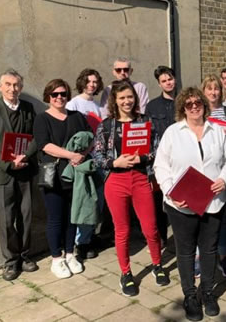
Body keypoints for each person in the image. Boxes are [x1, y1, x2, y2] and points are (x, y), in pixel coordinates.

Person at [154, 87, 226, 321]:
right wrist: (170, 191)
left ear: (205, 105)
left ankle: (207, 292)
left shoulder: (217, 131)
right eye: (189, 104)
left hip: (213, 203)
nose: (194, 106)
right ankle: (189, 295)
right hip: (181, 205)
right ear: (182, 108)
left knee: (209, 249)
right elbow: (160, 166)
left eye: (198, 102)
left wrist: (223, 179)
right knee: (185, 252)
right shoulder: (172, 133)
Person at [92, 80, 170, 296]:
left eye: (130, 97)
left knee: (150, 228)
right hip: (116, 181)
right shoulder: (106, 125)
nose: (127, 101)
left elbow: (159, 150)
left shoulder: (146, 121)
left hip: (140, 178)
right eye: (122, 98)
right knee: (122, 230)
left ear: (135, 99)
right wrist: (114, 163)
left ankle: (157, 264)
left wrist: (142, 157)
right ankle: (125, 273)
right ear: (115, 101)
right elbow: (97, 156)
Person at [0, 69, 38, 281]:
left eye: (17, 85)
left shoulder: (29, 109)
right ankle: (11, 261)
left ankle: (25, 255)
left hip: (25, 170)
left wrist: (25, 157)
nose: (13, 89)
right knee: (7, 219)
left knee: (27, 216)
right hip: (1, 174)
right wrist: (9, 164)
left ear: (21, 87)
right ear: (0, 86)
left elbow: (35, 137)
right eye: (8, 84)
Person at [33, 79, 91, 279]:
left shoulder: (77, 116)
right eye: (55, 94)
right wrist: (71, 155)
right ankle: (56, 258)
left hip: (75, 174)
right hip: (54, 176)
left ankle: (70, 253)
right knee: (56, 218)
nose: (59, 97)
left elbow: (89, 138)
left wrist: (82, 155)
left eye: (63, 94)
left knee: (72, 216)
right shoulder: (42, 119)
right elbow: (45, 145)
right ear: (48, 96)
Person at [66, 68, 104, 260]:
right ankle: (80, 243)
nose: (92, 85)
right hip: (83, 161)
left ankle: (90, 237)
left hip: (99, 160)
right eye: (89, 81)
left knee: (98, 201)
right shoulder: (73, 104)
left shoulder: (98, 106)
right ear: (82, 82)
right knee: (85, 202)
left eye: (95, 82)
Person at [201, 75, 226, 278]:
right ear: (203, 90)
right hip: (203, 170)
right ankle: (201, 257)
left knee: (223, 217)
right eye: (209, 89)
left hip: (225, 170)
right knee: (201, 216)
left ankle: (223, 257)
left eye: (216, 89)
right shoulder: (198, 111)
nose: (213, 92)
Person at [147, 65, 177, 250]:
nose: (168, 83)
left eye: (170, 79)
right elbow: (149, 134)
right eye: (164, 81)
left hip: (181, 158)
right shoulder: (152, 106)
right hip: (161, 160)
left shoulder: (184, 101)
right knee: (159, 202)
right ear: (159, 84)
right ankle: (162, 239)